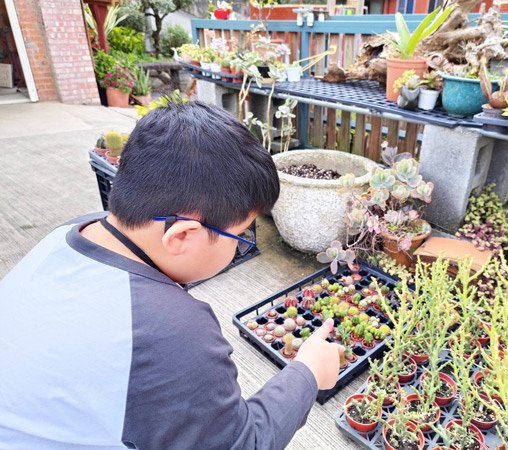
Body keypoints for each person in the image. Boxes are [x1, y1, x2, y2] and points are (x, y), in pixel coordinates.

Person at [0, 102, 343, 449]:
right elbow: (239, 443)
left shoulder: (69, 233)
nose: (242, 246)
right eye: (241, 237)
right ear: (181, 236)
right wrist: (308, 373)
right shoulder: (170, 331)